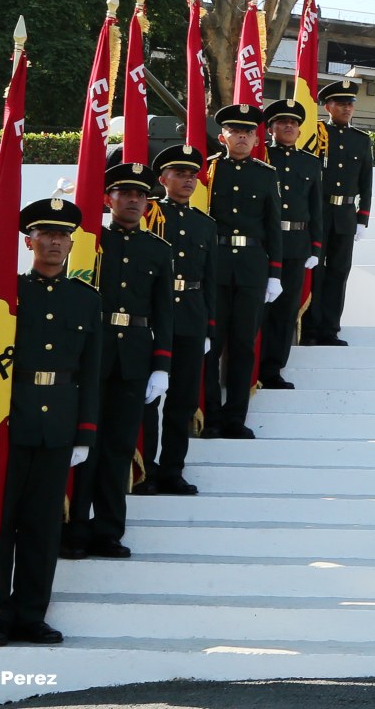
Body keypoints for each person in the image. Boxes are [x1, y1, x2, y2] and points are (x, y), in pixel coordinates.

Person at [0, 198, 103, 646]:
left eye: (62, 235)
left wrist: (84, 432)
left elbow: (90, 371)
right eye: (46, 234)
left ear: (72, 243)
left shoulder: (86, 299)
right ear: (28, 241)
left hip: (58, 426)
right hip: (7, 423)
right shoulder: (5, 294)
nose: (55, 242)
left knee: (43, 528)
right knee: (1, 525)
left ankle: (32, 616)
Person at [63, 162, 173, 559]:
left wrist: (161, 366)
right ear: (108, 199)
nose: (133, 200)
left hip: (134, 358)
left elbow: (164, 313)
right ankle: (76, 528)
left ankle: (108, 530)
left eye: (140, 195)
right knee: (85, 443)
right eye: (124, 193)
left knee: (118, 448)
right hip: (91, 355)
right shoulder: (89, 243)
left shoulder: (158, 250)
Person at [203, 102, 282, 439]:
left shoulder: (266, 174)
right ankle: (210, 416)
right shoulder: (208, 171)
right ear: (222, 136)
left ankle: (235, 417)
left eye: (248, 132)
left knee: (242, 345)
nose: (242, 137)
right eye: (235, 131)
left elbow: (273, 226)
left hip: (251, 267)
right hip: (215, 266)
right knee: (212, 343)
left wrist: (275, 273)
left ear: (257, 138)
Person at [144, 144, 214, 495]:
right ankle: (145, 468)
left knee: (182, 399)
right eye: (179, 174)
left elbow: (210, 279)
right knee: (149, 400)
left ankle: (173, 470)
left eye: (192, 175)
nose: (188, 180)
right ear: (163, 179)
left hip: (191, 317)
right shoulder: (150, 215)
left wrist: (209, 328)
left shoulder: (205, 224)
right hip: (154, 318)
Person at [258, 98, 323, 387]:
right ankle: (252, 367)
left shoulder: (310, 163)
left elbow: (316, 209)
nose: (288, 126)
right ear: (271, 128)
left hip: (296, 245)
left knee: (285, 311)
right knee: (260, 309)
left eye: (294, 123)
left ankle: (273, 370)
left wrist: (316, 246)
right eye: (282, 122)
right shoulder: (261, 158)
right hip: (263, 244)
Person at [308, 79, 372, 346]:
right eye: (341, 104)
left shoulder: (361, 140)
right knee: (315, 271)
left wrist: (362, 218)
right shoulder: (316, 134)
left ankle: (330, 329)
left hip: (345, 214)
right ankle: (309, 327)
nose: (347, 108)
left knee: (338, 272)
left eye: (350, 104)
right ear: (328, 106)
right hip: (319, 212)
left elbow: (366, 182)